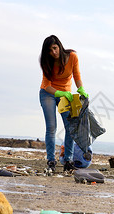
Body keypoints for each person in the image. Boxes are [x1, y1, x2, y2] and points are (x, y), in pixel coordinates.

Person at [39, 35, 89, 173]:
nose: (53, 52)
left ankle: (68, 160)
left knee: (70, 127)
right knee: (51, 127)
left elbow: (77, 75)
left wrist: (81, 89)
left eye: (55, 48)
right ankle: (51, 160)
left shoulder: (72, 56)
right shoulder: (46, 62)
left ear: (59, 46)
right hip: (48, 94)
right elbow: (47, 86)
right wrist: (60, 93)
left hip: (66, 94)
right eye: (50, 50)